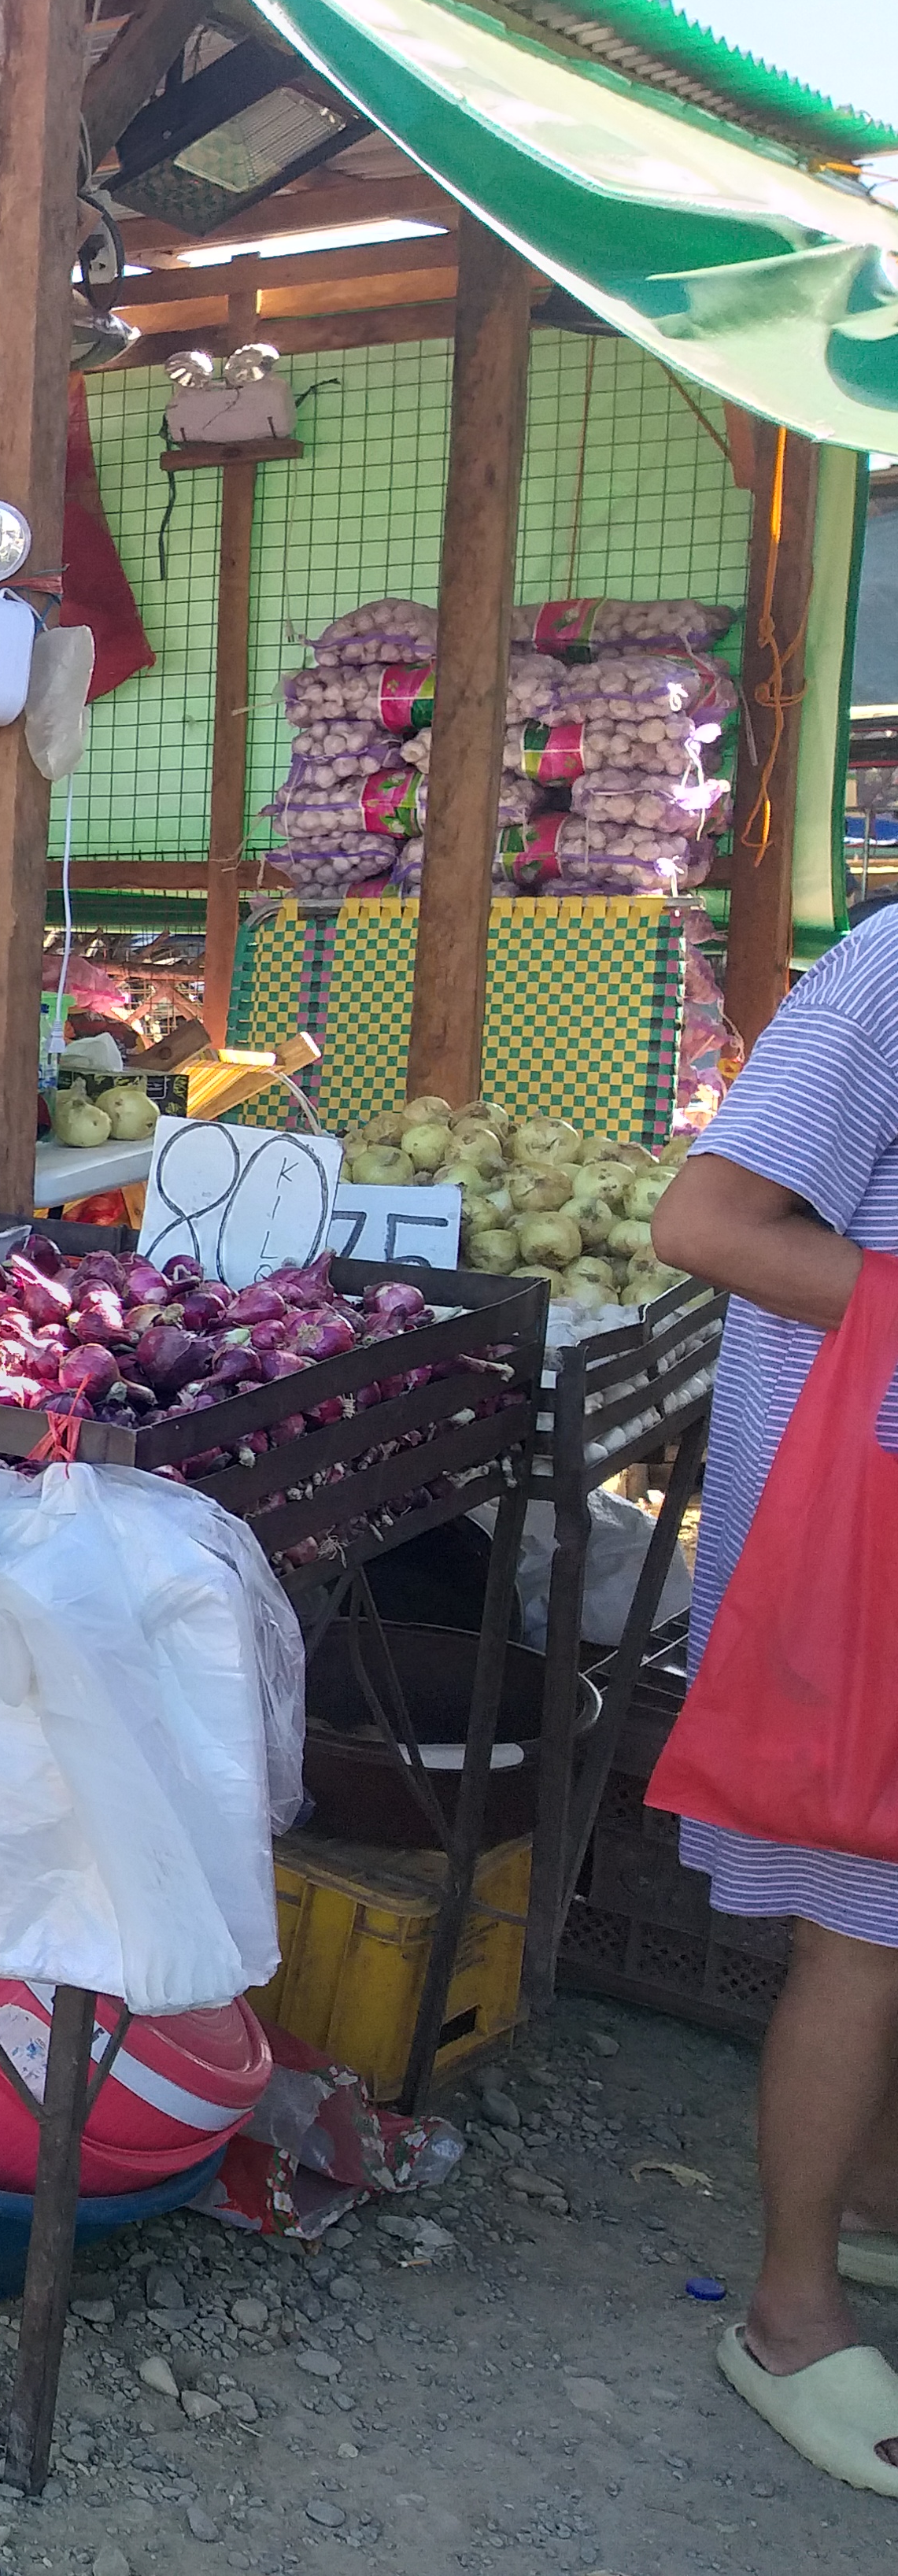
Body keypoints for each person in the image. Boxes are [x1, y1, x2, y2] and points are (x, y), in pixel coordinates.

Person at [651, 912, 898, 2500]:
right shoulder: (889, 974)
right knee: (865, 1912)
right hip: (849, 1522)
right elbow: (705, 1223)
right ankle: (791, 2316)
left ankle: (871, 2205)